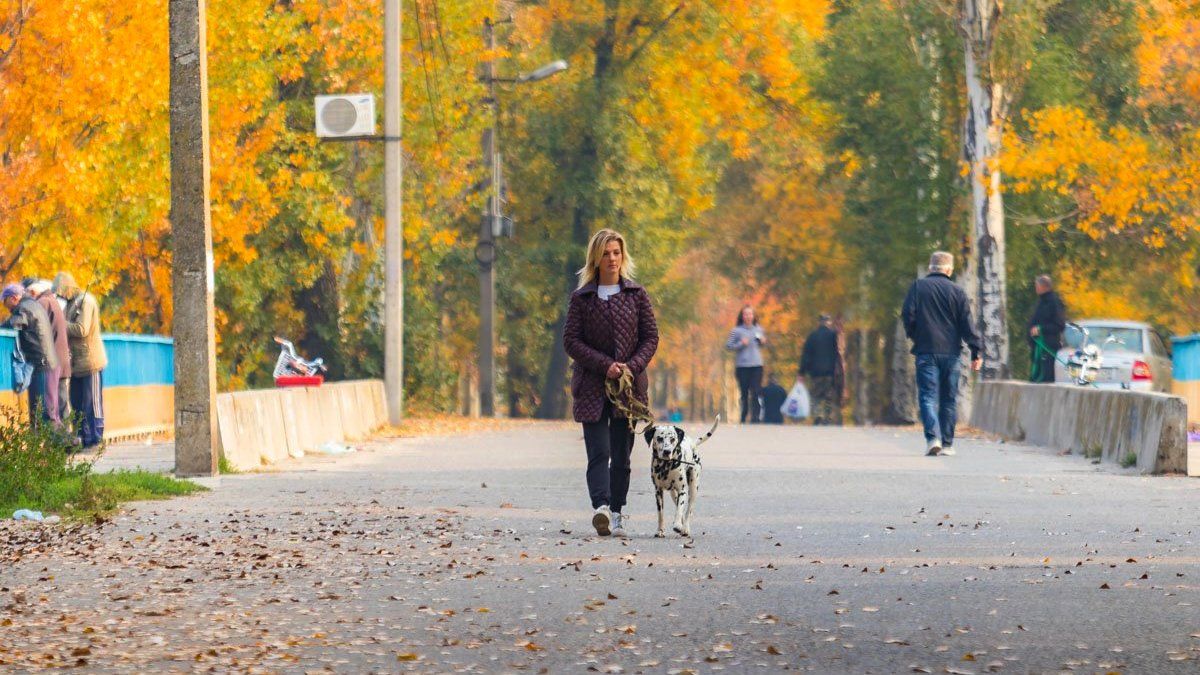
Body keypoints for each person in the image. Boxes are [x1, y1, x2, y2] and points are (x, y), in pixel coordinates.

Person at [563, 229, 658, 538]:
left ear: (623, 256)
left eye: (616, 252)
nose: (612, 259)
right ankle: (601, 508)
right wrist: (606, 366)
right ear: (596, 258)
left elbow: (650, 338)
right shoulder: (582, 298)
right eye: (606, 253)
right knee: (598, 451)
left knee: (622, 454)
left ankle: (617, 511)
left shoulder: (637, 295)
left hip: (628, 389)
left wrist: (630, 367)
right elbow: (571, 341)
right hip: (591, 385)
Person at [901, 251, 982, 457]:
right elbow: (967, 324)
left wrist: (915, 334)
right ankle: (947, 444)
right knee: (948, 399)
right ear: (949, 270)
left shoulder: (918, 287)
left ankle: (932, 439)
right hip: (952, 353)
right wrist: (976, 352)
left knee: (928, 396)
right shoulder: (958, 292)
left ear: (930, 268)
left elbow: (907, 315)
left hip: (926, 350)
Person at [53, 272, 108, 449]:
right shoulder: (70, 304)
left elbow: (82, 329)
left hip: (90, 361)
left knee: (92, 402)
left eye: (61, 292)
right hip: (75, 363)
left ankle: (95, 437)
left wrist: (61, 325)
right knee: (76, 401)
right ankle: (81, 436)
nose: (60, 296)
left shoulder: (86, 301)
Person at [2, 284, 60, 427]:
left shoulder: (24, 308)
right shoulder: (33, 304)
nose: (5, 307)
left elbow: (15, 322)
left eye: (5, 302)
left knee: (45, 411)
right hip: (45, 361)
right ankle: (60, 442)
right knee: (44, 409)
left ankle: (66, 443)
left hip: (42, 363)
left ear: (13, 298)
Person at [25, 279, 72, 425]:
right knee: (61, 404)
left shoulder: (42, 303)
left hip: (52, 363)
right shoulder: (53, 301)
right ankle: (68, 442)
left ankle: (64, 443)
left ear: (33, 293)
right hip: (61, 360)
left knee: (52, 407)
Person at [799, 314, 842, 425]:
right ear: (828, 322)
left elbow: (806, 355)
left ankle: (817, 416)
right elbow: (838, 354)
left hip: (815, 373)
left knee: (815, 396)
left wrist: (801, 372)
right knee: (828, 396)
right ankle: (827, 417)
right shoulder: (832, 336)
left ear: (819, 322)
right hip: (829, 372)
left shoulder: (812, 336)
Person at [725, 305, 766, 424]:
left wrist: (763, 342)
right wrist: (740, 343)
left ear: (754, 316)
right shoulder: (736, 331)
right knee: (744, 392)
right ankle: (744, 414)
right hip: (742, 366)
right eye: (746, 314)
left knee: (756, 391)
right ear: (742, 316)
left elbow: (762, 345)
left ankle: (756, 416)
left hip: (757, 364)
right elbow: (728, 346)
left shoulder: (759, 329)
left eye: (750, 314)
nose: (748, 316)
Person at [1028, 275, 1067, 383]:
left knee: (1046, 377)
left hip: (1048, 347)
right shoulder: (1041, 301)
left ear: (1044, 286)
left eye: (1037, 286)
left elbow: (1059, 325)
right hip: (1038, 348)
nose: (1036, 288)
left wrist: (1041, 329)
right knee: (1036, 378)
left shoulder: (1054, 302)